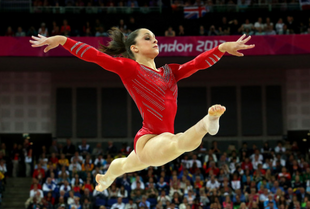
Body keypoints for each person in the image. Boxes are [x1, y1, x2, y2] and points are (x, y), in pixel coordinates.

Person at [30, 27, 254, 192]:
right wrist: (63, 40)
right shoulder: (130, 68)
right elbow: (96, 57)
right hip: (151, 138)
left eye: (155, 38)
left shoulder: (169, 72)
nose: (154, 41)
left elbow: (196, 64)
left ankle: (106, 178)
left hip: (152, 141)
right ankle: (207, 122)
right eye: (148, 38)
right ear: (134, 48)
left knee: (125, 165)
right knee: (179, 143)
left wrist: (222, 48)